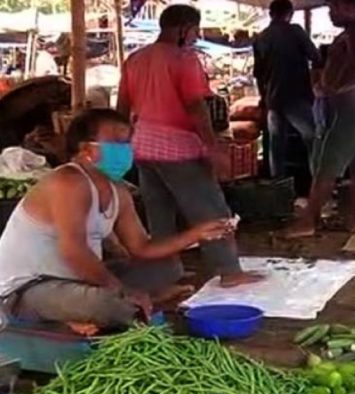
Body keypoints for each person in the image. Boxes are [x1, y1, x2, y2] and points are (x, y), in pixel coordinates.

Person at [0, 109, 235, 330]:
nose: (125, 149)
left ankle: (131, 302)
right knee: (107, 305)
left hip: (76, 279)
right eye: (117, 142)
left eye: (127, 141)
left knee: (168, 267)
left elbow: (141, 247)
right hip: (27, 289)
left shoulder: (118, 191)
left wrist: (197, 234)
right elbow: (74, 251)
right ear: (87, 150)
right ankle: (120, 306)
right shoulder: (68, 182)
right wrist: (122, 290)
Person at [117, 4, 258, 288]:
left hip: (143, 146)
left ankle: (165, 274)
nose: (196, 36)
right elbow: (196, 107)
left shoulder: (136, 58)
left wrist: (122, 143)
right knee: (209, 208)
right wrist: (213, 148)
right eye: (195, 30)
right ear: (183, 29)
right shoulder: (184, 58)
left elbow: (122, 107)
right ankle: (229, 271)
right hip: (178, 148)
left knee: (160, 214)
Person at [284, 0, 355, 237]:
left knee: (328, 162)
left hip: (351, 103)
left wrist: (334, 85)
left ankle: (308, 222)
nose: (331, 14)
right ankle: (352, 221)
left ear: (351, 7)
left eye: (334, 8)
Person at [253, 0, 319, 179]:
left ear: (271, 14)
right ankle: (319, 184)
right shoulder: (296, 31)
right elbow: (316, 57)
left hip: (273, 99)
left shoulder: (261, 37)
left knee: (276, 146)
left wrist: (263, 98)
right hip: (296, 95)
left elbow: (258, 74)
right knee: (314, 138)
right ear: (290, 14)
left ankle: (278, 186)